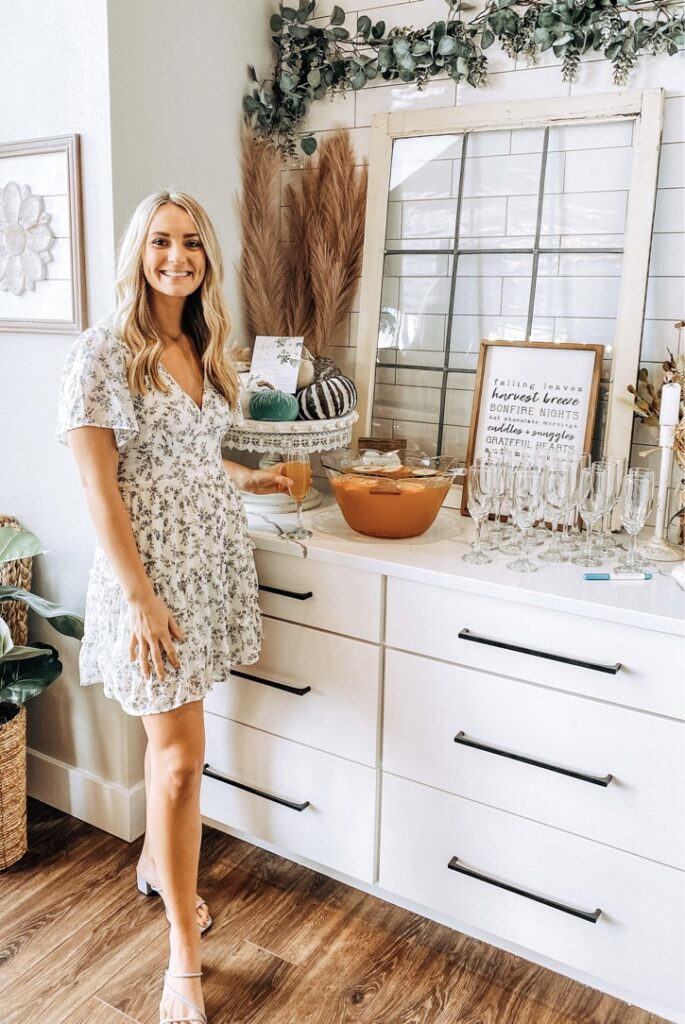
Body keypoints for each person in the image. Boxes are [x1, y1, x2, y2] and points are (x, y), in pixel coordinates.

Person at [57, 189, 291, 1024]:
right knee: (181, 759)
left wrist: (247, 477)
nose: (177, 257)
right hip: (148, 581)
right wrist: (140, 598)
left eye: (191, 242)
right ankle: (182, 960)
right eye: (161, 241)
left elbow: (188, 456)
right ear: (138, 252)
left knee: (179, 749)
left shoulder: (203, 346)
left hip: (209, 567)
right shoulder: (104, 353)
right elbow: (99, 484)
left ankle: (160, 865)